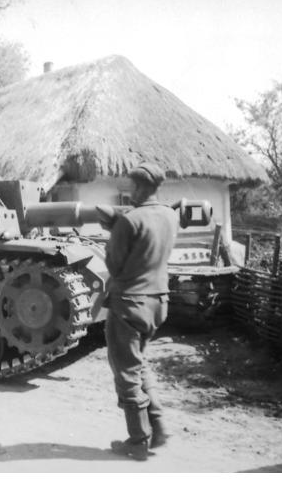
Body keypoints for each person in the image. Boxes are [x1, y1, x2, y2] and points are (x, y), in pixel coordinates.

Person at [103, 162, 179, 461]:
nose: (128, 193)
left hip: (129, 304)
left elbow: (115, 266)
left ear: (140, 188)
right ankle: (158, 428)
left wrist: (114, 230)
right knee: (138, 365)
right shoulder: (170, 215)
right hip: (158, 302)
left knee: (126, 372)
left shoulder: (130, 221)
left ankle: (138, 441)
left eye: (131, 187)